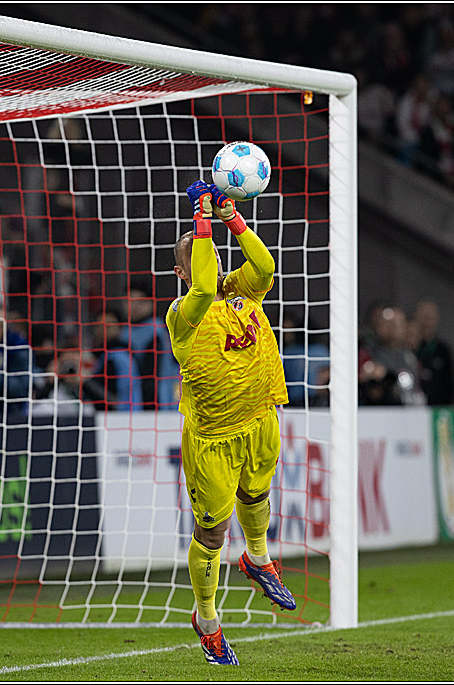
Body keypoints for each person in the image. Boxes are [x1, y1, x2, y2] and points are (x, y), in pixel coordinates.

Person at [167, 181, 294, 666]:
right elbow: (202, 286)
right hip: (212, 439)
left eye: (212, 250)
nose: (213, 259)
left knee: (256, 496)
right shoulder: (183, 314)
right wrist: (201, 220)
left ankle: (258, 559)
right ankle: (207, 620)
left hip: (261, 417)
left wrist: (230, 219)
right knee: (213, 533)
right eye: (200, 252)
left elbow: (265, 266)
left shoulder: (240, 289)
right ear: (182, 270)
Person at [127, 288, 180, 410]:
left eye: (139, 302)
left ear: (150, 304)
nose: (134, 307)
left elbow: (157, 370)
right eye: (130, 302)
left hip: (157, 398)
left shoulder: (157, 331)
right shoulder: (124, 332)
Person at [413, 301, 454, 407]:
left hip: (437, 406)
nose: (426, 322)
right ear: (416, 317)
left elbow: (449, 383)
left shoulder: (443, 350)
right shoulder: (409, 348)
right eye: (424, 317)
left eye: (430, 317)